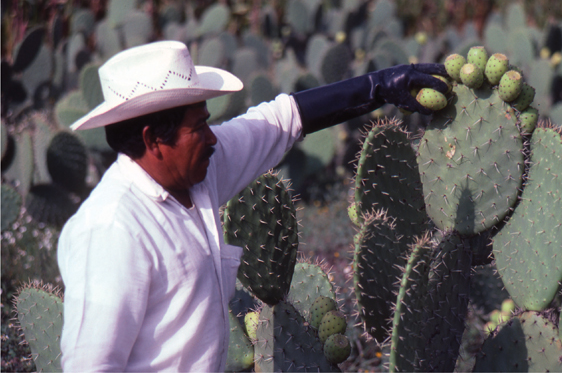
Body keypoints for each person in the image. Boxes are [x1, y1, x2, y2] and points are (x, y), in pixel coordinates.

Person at [57, 40, 447, 371]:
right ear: (153, 139)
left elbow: (282, 119)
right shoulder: (111, 230)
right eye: (199, 127)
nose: (213, 139)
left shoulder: (194, 175)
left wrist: (378, 86)